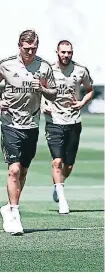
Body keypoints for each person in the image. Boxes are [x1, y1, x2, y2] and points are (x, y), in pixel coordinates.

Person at [0, 30, 57, 235]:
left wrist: (43, 89)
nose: (31, 51)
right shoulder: (6, 64)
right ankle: (15, 214)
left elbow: (53, 93)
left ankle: (9, 206)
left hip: (32, 124)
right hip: (10, 124)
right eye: (27, 48)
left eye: (34, 48)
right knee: (14, 170)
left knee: (24, 171)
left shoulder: (44, 67)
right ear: (19, 46)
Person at [42, 40, 94, 214]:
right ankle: (62, 201)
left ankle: (58, 186)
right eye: (63, 52)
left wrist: (82, 103)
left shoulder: (80, 70)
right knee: (57, 161)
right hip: (54, 121)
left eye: (69, 52)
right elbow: (38, 89)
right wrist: (44, 104)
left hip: (73, 121)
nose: (66, 55)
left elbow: (90, 90)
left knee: (68, 166)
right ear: (56, 52)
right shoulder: (48, 70)